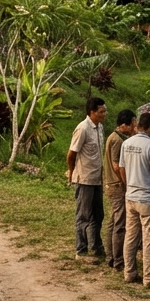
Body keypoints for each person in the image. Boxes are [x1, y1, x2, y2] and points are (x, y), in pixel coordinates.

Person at [119, 112, 150, 288]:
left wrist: (129, 185)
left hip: (131, 196)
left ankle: (129, 273)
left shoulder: (127, 143)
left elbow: (122, 168)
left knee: (131, 236)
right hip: (148, 198)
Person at [66, 97, 107, 258]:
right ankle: (81, 249)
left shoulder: (100, 128)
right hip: (84, 179)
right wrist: (71, 172)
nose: (104, 114)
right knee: (83, 215)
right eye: (101, 111)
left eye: (104, 111)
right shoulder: (82, 129)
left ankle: (96, 246)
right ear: (92, 112)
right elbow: (71, 154)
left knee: (98, 214)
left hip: (97, 178)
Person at [103, 109, 136, 272]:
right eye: (132, 124)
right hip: (116, 185)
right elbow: (116, 165)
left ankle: (110, 255)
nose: (134, 127)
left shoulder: (114, 137)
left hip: (111, 184)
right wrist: (126, 182)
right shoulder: (117, 140)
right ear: (124, 125)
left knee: (114, 221)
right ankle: (117, 260)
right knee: (119, 223)